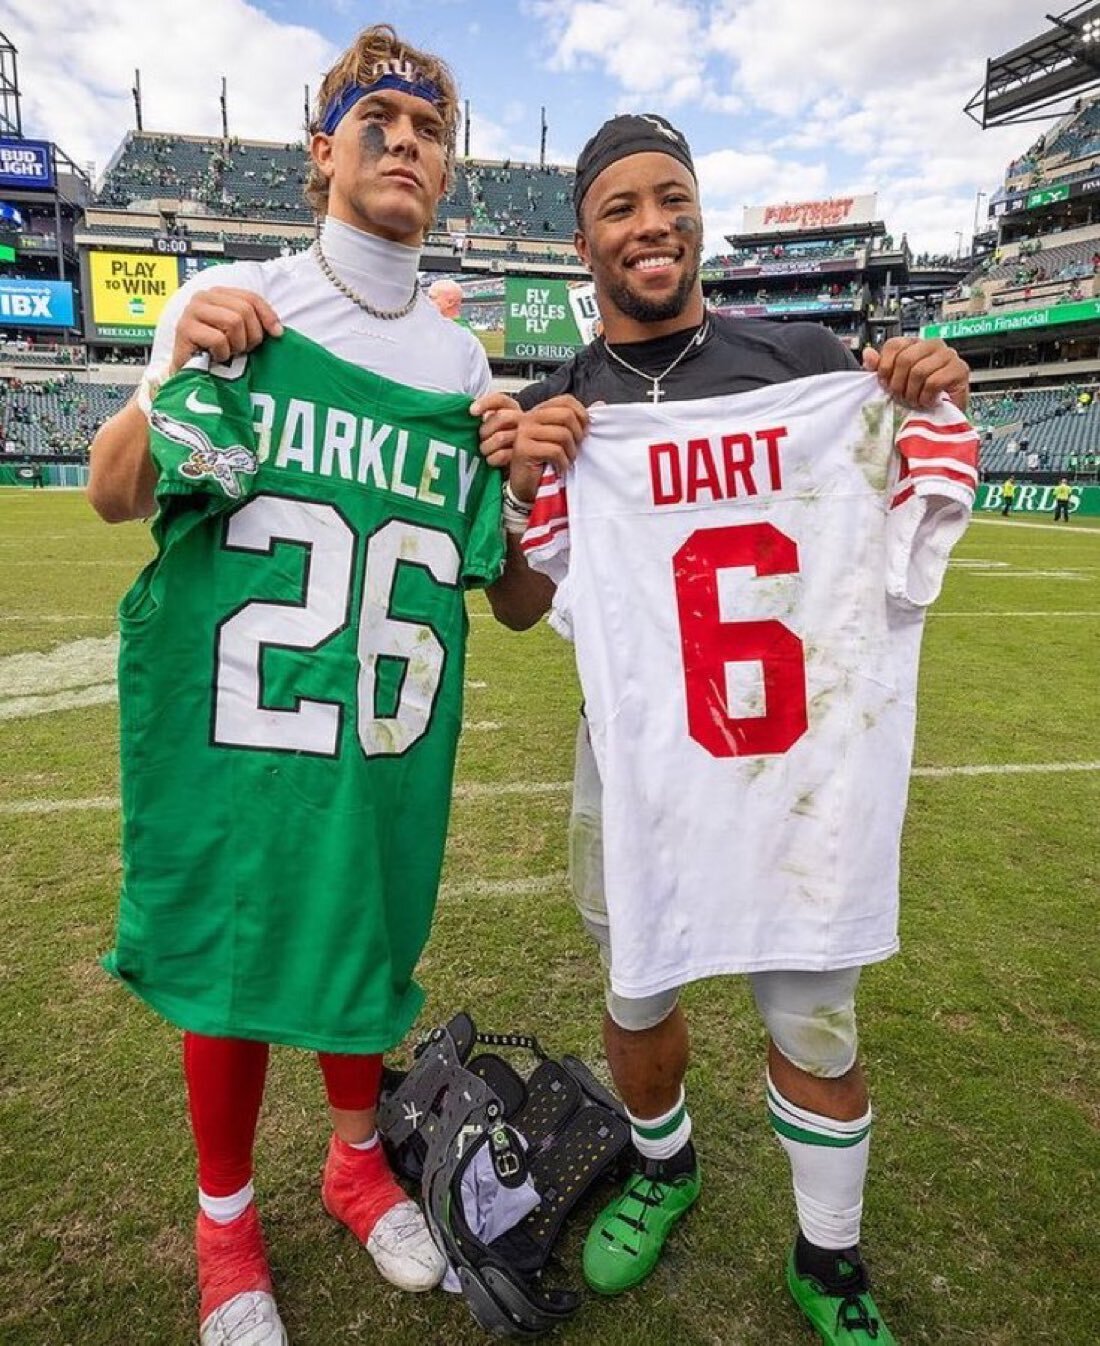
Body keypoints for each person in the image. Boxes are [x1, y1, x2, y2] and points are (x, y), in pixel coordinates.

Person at [475, 113, 973, 1346]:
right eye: (621, 206)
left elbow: (896, 474)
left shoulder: (804, 363)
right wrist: (528, 484)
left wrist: (922, 392)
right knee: (636, 986)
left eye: (672, 198)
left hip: (797, 761)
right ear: (582, 241)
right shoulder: (559, 408)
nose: (652, 225)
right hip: (637, 759)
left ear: (697, 215)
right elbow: (520, 605)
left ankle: (828, 1253)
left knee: (813, 1013)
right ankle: (664, 1163)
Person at [87, 25, 510, 1346]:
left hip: (377, 730)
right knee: (232, 953)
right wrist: (174, 369)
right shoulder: (237, 303)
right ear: (322, 152)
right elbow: (112, 491)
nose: (404, 143)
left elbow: (507, 580)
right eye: (378, 120)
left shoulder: (460, 369)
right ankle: (223, 1223)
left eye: (429, 131)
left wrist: (518, 460)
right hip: (243, 718)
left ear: (446, 169)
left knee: (360, 934)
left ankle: (352, 1162)